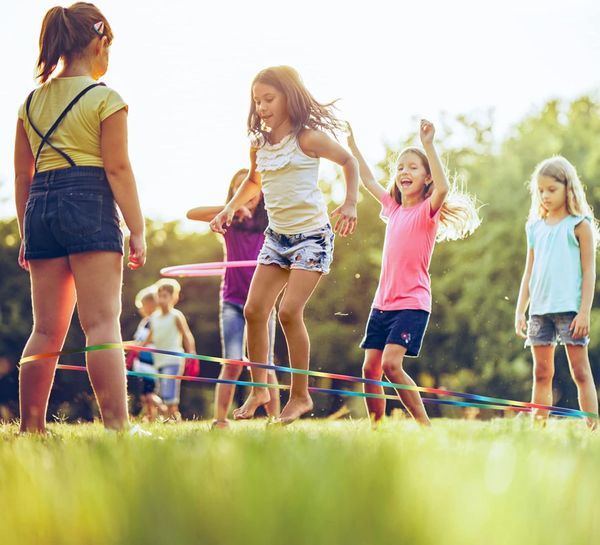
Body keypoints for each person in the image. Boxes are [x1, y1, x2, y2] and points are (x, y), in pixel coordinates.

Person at [14, 3, 146, 433]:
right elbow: (118, 169)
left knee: (46, 330)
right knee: (102, 324)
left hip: (39, 210)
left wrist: (24, 235)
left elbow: (23, 175)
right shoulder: (105, 98)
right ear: (98, 42)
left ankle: (31, 428)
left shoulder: (30, 102)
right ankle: (117, 429)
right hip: (89, 202)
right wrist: (137, 228)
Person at [210, 65, 359, 424]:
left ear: (289, 97)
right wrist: (229, 210)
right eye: (256, 101)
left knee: (289, 311)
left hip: (311, 236)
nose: (261, 107)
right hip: (276, 238)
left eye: (268, 99)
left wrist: (351, 201)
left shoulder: (307, 138)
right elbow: (253, 181)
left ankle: (300, 396)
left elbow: (348, 160)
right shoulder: (259, 145)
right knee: (253, 311)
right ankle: (261, 388)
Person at [347, 120, 480, 426]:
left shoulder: (427, 212)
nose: (404, 172)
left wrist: (429, 145)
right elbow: (367, 179)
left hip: (411, 303)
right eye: (400, 168)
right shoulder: (393, 209)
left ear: (426, 177)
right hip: (382, 304)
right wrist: (352, 146)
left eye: (412, 168)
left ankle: (424, 426)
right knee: (370, 369)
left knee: (392, 364)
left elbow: (444, 188)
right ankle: (377, 428)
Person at [187, 169, 279, 429]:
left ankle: (275, 421)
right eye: (239, 189)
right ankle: (220, 419)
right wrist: (231, 208)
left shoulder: (270, 221)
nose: (246, 195)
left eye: (248, 189)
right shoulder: (228, 222)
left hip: (262, 302)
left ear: (259, 192)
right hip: (232, 301)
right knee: (233, 361)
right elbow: (191, 213)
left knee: (265, 363)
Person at [515, 156, 599, 429]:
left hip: (570, 311)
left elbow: (589, 273)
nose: (545, 195)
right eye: (540, 190)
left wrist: (584, 312)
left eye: (551, 189)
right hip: (539, 310)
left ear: (567, 187)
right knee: (541, 373)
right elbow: (529, 272)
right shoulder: (534, 227)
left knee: (580, 372)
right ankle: (537, 430)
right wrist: (520, 310)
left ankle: (592, 429)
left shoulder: (579, 225)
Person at [146, 279, 196, 421]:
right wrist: (134, 348)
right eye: (159, 295)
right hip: (159, 360)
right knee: (163, 391)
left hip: (174, 359)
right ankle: (172, 418)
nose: (161, 299)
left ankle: (173, 418)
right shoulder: (154, 318)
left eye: (165, 296)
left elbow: (186, 335)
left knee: (170, 390)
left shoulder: (176, 316)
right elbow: (149, 338)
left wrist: (191, 352)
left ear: (173, 297)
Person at [128, 286, 165, 421]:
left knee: (149, 395)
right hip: (142, 364)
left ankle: (166, 411)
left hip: (150, 364)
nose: (140, 309)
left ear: (151, 305)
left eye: (142, 306)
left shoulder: (155, 321)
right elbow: (139, 341)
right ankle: (151, 418)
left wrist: (138, 346)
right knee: (144, 396)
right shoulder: (144, 323)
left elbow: (148, 340)